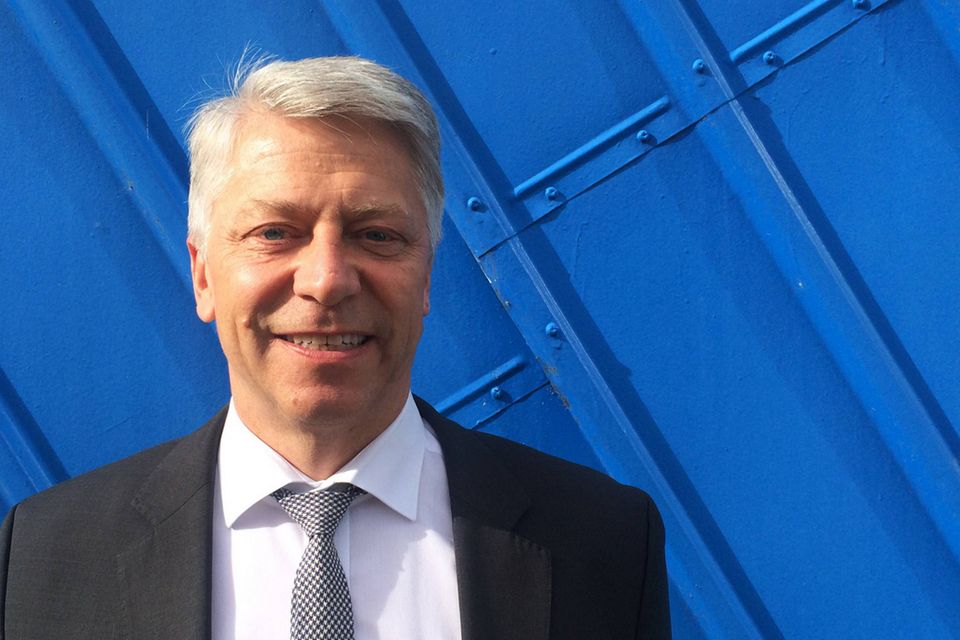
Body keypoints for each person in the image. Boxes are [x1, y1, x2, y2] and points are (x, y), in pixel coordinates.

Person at [0, 56, 670, 639]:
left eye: (376, 235)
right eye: (274, 232)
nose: (326, 280)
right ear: (203, 276)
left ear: (426, 276)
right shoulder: (45, 556)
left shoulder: (604, 541)